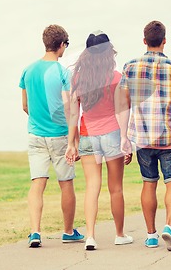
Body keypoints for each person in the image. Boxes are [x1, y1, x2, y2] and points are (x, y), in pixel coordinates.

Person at [115, 20, 171, 251]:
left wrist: (125, 138)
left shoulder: (129, 67)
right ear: (164, 41)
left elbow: (123, 104)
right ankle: (169, 226)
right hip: (170, 137)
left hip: (143, 137)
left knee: (149, 183)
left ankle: (151, 235)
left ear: (144, 40)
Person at [65, 31, 134, 251]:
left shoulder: (78, 78)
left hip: (87, 134)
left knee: (92, 187)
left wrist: (71, 143)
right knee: (116, 189)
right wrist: (125, 138)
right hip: (112, 134)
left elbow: (73, 114)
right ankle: (120, 234)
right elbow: (122, 110)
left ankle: (90, 236)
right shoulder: (116, 77)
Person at [19, 24, 84, 248]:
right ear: (61, 45)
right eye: (66, 44)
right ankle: (68, 231)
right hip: (59, 135)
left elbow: (25, 106)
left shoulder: (27, 71)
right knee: (66, 183)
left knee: (37, 183)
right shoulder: (63, 73)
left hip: (35, 135)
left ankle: (35, 232)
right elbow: (70, 109)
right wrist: (73, 141)